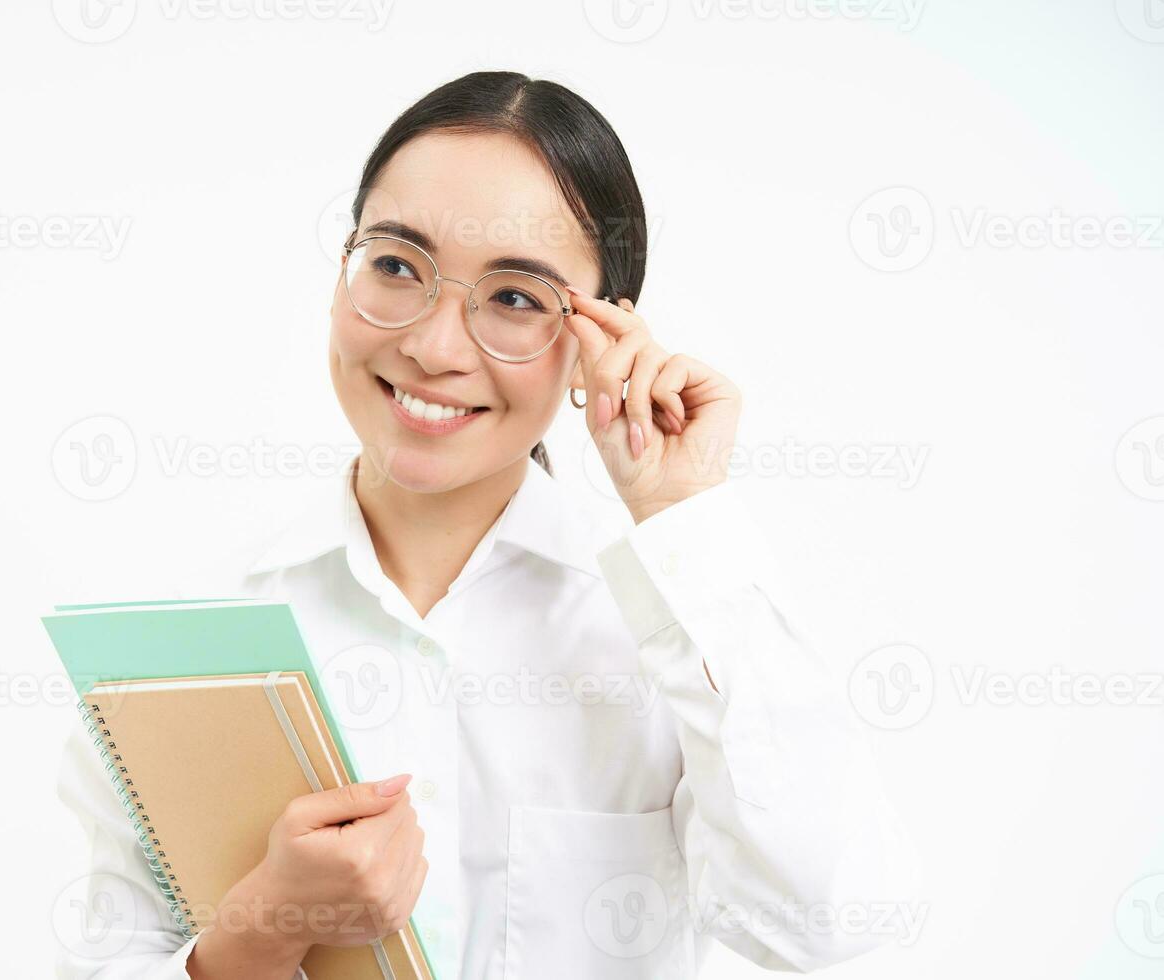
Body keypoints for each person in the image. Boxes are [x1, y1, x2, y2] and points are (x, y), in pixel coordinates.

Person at [56, 70, 919, 980]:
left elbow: (826, 922)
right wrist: (263, 928)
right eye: (396, 266)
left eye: (514, 298)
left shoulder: (673, 629)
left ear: (602, 343)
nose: (432, 347)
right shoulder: (191, 650)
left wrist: (682, 516)